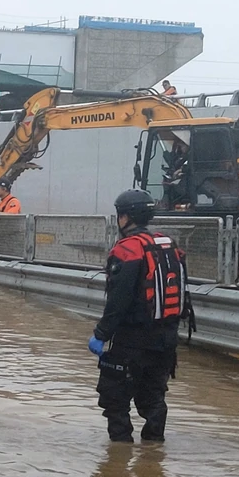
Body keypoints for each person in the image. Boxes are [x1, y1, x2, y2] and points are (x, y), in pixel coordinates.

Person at [89, 189, 192, 443]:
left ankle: (119, 464)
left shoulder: (127, 250)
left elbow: (118, 300)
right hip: (166, 340)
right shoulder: (168, 246)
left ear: (125, 217)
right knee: (154, 399)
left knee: (114, 398)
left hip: (132, 341)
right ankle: (153, 457)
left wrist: (101, 335)